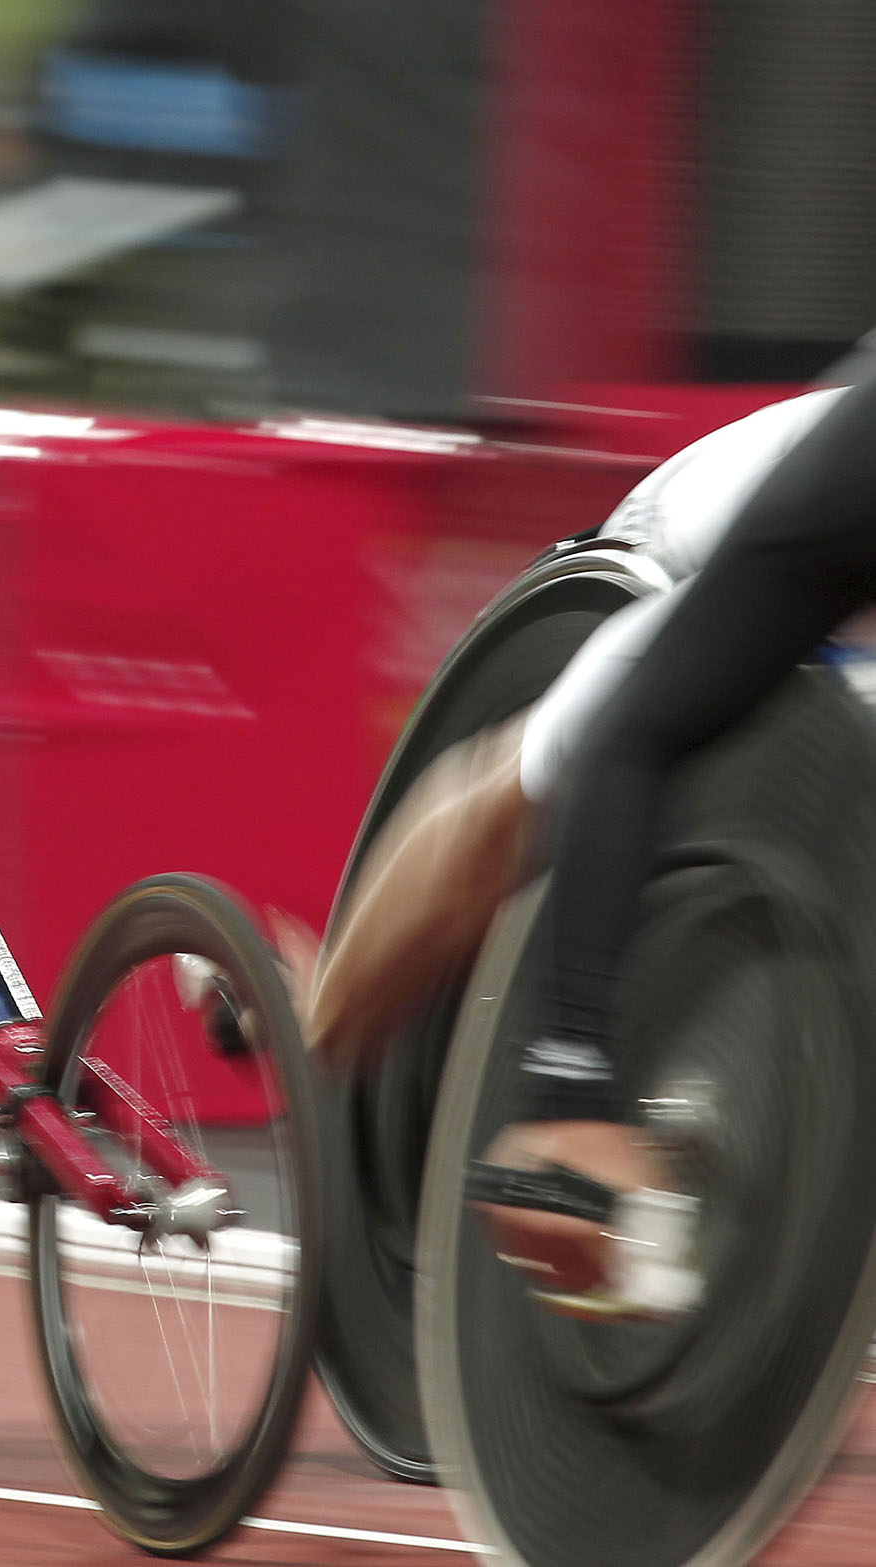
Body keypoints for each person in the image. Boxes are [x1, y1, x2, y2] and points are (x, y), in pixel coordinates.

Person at [307, 376, 875, 1315]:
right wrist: (567, 1085)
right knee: (558, 765)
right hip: (730, 547)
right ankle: (319, 1023)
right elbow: (631, 740)